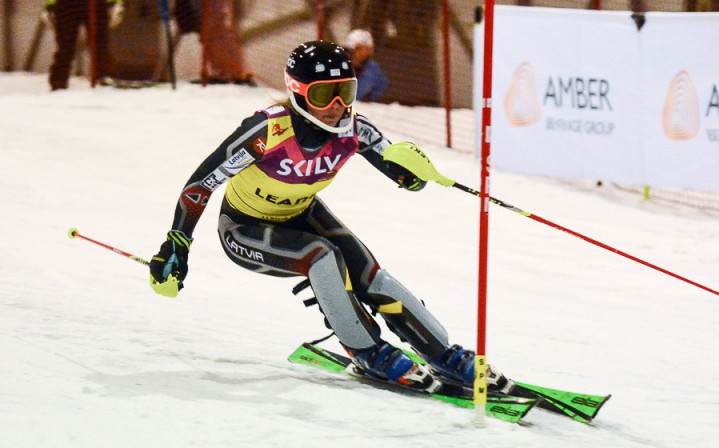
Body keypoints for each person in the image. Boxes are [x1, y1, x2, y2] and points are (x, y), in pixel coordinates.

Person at [148, 41, 508, 391]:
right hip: (244, 228)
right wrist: (178, 241)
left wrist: (414, 175)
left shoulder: (355, 129)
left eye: (344, 92)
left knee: (367, 273)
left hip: (302, 213)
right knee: (321, 256)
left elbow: (399, 169)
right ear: (298, 92)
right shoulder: (266, 133)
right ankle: (364, 349)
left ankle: (442, 353)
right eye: (324, 95)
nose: (336, 106)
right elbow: (201, 184)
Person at [45, 0, 123, 90]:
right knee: (65, 47)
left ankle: (105, 80)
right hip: (66, 4)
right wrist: (51, 4)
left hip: (96, 4)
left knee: (100, 46)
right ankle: (58, 83)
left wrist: (114, 3)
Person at [343, 29, 388, 102]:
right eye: (360, 49)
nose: (363, 53)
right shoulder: (338, 65)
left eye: (367, 49)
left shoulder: (372, 69)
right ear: (350, 49)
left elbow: (382, 84)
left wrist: (370, 97)